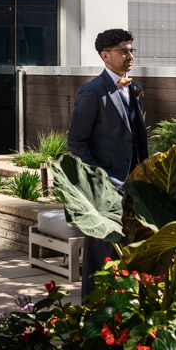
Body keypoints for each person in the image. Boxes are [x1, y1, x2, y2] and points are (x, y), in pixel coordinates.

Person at [66, 28, 148, 298]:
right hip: (107, 188)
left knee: (135, 252)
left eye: (131, 50)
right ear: (105, 56)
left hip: (137, 186)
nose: (130, 56)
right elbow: (77, 143)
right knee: (102, 253)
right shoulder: (91, 92)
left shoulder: (133, 88)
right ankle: (94, 308)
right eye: (123, 51)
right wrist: (103, 180)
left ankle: (131, 308)